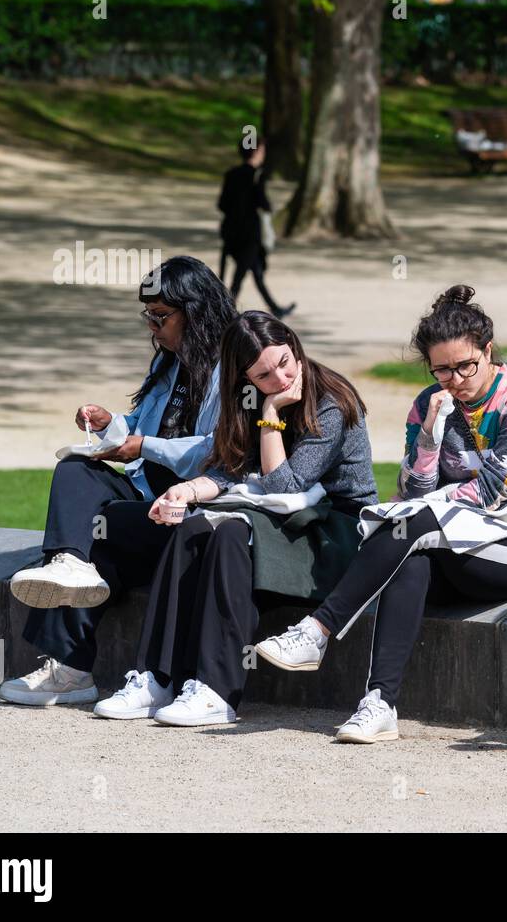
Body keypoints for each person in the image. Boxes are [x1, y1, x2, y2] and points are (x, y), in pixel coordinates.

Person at [253, 285, 507, 743]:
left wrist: (426, 504)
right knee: (408, 557)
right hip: (449, 540)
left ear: (488, 351)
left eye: (465, 366)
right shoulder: (427, 403)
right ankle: (379, 704)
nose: (454, 379)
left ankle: (318, 630)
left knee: (409, 523)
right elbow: (414, 488)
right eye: (442, 369)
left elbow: (497, 491)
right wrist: (431, 438)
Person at [92, 311, 378, 725]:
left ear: (294, 347)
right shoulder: (245, 400)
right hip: (281, 520)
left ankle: (216, 691)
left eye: (284, 362)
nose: (280, 379)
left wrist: (271, 414)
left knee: (229, 535)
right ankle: (156, 679)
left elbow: (286, 485)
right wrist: (185, 491)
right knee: (190, 526)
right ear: (244, 379)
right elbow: (229, 470)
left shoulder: (330, 402)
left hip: (334, 530)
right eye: (263, 376)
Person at [0, 257, 235, 707]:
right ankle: (69, 563)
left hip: (196, 505)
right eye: (147, 315)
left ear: (196, 309)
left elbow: (216, 449)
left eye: (161, 316)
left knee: (98, 534)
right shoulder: (169, 363)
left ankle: (71, 669)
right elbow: (140, 429)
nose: (152, 327)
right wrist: (110, 425)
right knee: (75, 471)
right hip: (148, 493)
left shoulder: (231, 367)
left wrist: (143, 446)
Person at [218, 138, 295, 318]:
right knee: (239, 277)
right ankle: (225, 312)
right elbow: (264, 203)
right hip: (250, 234)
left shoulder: (231, 174)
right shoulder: (256, 176)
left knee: (256, 273)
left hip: (231, 231)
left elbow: (222, 204)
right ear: (256, 151)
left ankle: (275, 308)